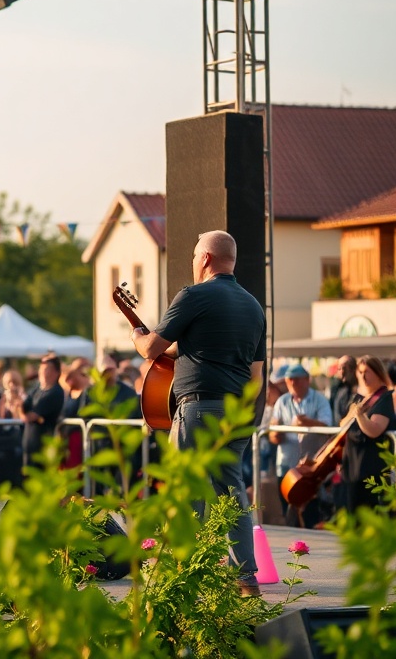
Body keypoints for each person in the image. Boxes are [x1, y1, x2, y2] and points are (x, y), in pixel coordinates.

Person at [131, 230, 266, 598]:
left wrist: (136, 336)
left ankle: (184, 576)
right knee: (232, 495)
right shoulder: (253, 306)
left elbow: (150, 348)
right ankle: (246, 579)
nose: (192, 262)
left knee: (186, 492)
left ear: (205, 258)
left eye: (194, 255)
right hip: (237, 414)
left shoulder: (193, 295)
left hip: (198, 408)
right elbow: (256, 376)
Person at [268, 364, 332, 528]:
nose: (293, 383)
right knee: (287, 509)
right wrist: (276, 434)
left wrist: (306, 423)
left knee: (311, 512)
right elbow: (272, 434)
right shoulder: (282, 402)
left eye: (296, 379)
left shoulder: (320, 400)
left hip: (311, 467)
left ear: (307, 380)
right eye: (289, 380)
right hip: (287, 464)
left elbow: (328, 426)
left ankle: (310, 540)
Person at [340, 355, 395, 517]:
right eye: (360, 372)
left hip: (371, 471)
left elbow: (374, 430)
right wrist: (352, 413)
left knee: (369, 517)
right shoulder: (359, 399)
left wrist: (359, 416)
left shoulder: (385, 398)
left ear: (378, 373)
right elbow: (342, 425)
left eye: (367, 372)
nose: (363, 377)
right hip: (352, 468)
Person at [21, 355, 66, 467]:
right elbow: (24, 407)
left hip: (43, 448)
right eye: (41, 368)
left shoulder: (55, 392)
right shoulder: (37, 389)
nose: (41, 372)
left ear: (56, 372)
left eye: (46, 369)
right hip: (29, 447)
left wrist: (18, 408)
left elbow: (29, 417)